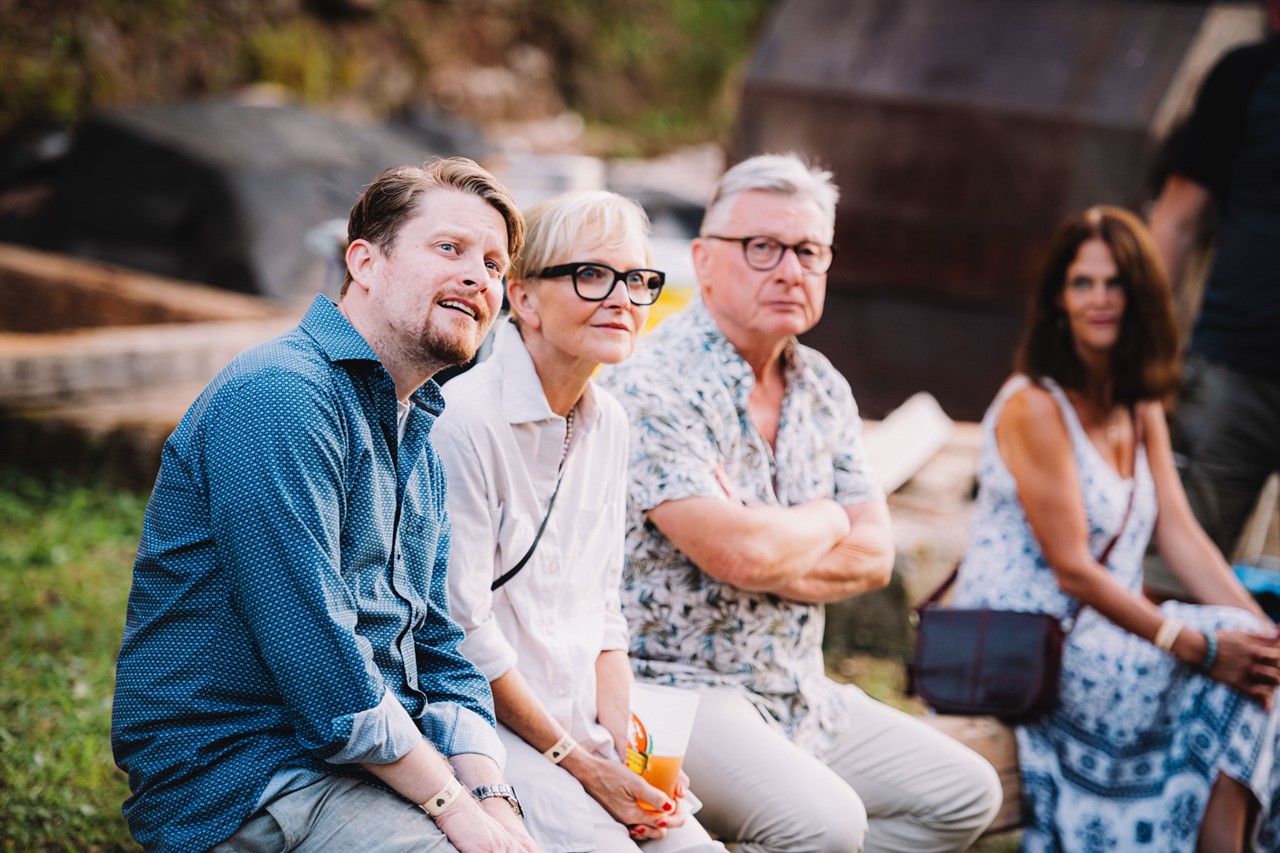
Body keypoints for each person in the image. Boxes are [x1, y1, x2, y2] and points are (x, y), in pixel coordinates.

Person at [111, 158, 543, 853]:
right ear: (364, 262)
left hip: (365, 765)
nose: (479, 277)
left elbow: (438, 645)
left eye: (494, 265)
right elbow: (315, 652)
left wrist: (495, 801)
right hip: (248, 775)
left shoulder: (415, 433)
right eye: (450, 248)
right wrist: (452, 805)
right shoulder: (282, 395)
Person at [598, 152, 1003, 853]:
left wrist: (763, 546)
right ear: (704, 260)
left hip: (797, 686)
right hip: (671, 691)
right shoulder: (651, 382)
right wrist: (831, 517)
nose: (789, 269)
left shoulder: (822, 387)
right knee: (826, 822)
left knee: (965, 794)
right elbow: (742, 553)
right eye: (762, 247)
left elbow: (873, 559)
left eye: (809, 250)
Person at [952, 205, 1280, 852]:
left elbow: (1180, 533)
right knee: (1233, 680)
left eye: (1115, 283)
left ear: (1141, 296)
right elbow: (1074, 568)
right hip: (1037, 643)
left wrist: (1263, 637)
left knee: (1259, 664)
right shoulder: (1035, 404)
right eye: (1083, 282)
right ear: (1058, 299)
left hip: (1112, 632)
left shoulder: (1137, 400)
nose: (1100, 298)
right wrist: (1196, 644)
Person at [434, 190, 724, 852]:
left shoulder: (610, 420)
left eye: (638, 279)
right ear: (523, 298)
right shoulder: (464, 422)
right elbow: (462, 634)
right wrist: (582, 763)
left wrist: (628, 744)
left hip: (581, 728)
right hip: (493, 735)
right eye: (592, 274)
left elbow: (604, 609)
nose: (623, 298)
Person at [1143, 8, 1280, 600]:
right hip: (1230, 375)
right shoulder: (1247, 75)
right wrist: (1132, 356)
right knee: (1168, 583)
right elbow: (1176, 220)